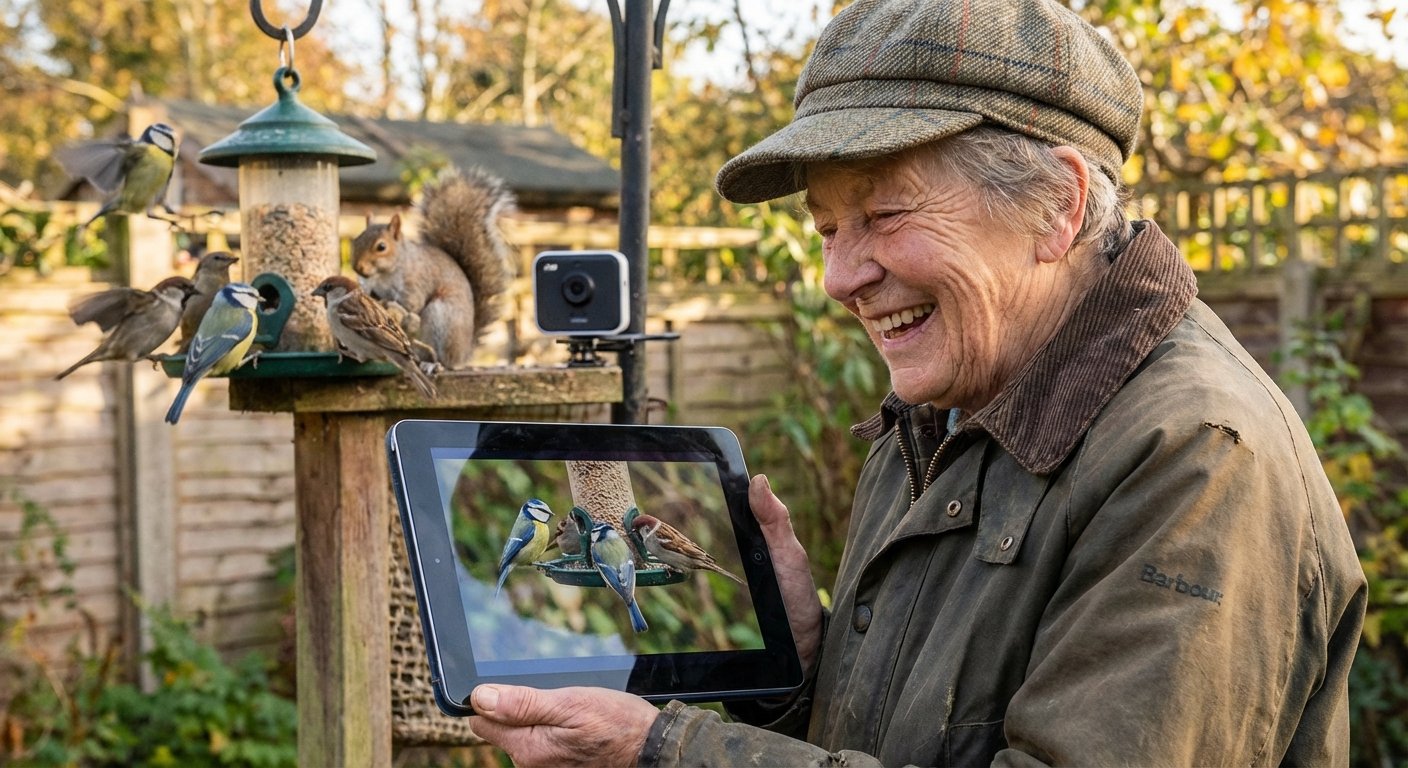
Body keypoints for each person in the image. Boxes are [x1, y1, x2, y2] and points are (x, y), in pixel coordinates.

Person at [467, 0, 1368, 764]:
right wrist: (803, 663)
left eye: (885, 214)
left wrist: (670, 749)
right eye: (827, 229)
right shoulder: (943, 411)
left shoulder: (1199, 458)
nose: (840, 277)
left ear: (1056, 206)